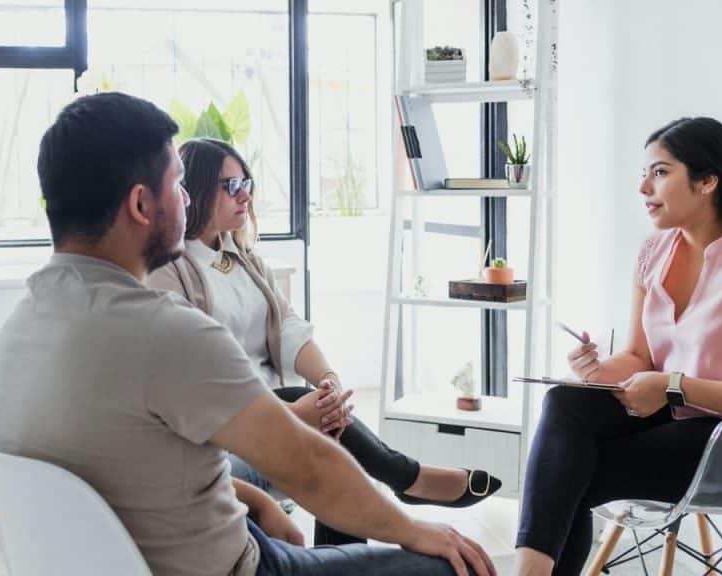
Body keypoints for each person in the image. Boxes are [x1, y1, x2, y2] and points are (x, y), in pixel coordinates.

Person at [0, 91, 495, 576]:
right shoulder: (164, 330)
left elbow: (140, 468)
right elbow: (309, 467)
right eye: (179, 184)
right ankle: (416, 493)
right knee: (451, 562)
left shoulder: (20, 326)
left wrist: (257, 500)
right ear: (142, 206)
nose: (186, 199)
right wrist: (414, 531)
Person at [146, 138, 502, 545]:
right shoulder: (170, 271)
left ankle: (380, 508)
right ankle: (406, 477)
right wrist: (292, 415)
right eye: (230, 186)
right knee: (323, 424)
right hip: (230, 425)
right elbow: (195, 383)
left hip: (272, 407)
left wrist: (329, 381)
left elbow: (290, 330)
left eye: (246, 182)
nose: (244, 194)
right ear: (195, 191)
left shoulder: (246, 260)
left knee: (329, 420)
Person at [514, 117, 722, 576]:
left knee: (570, 474)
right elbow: (641, 358)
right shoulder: (653, 253)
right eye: (645, 173)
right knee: (566, 402)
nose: (643, 187)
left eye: (659, 172)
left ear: (707, 182)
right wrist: (597, 369)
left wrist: (674, 386)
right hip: (677, 418)